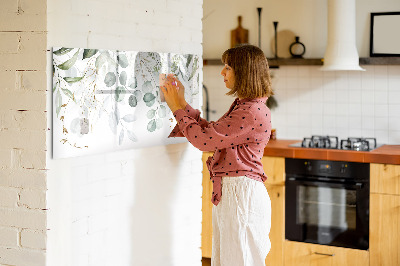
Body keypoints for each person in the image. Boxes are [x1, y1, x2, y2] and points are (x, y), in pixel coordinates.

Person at [161, 44, 273, 266]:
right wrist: (182, 103)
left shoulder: (250, 111)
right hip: (236, 193)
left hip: (241, 195)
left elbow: (204, 141)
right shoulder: (246, 106)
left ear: (244, 72)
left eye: (228, 67)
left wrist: (176, 108)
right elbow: (212, 133)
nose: (222, 72)